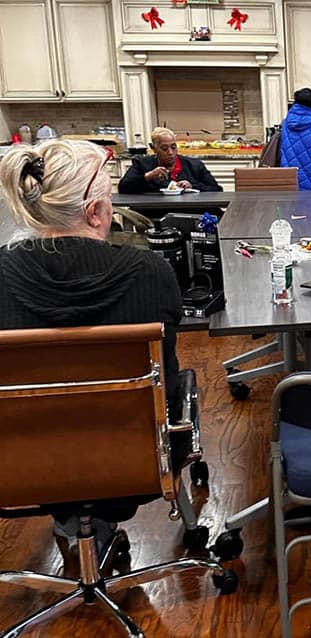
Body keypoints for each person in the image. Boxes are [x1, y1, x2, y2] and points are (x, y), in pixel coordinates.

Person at [0, 139, 184, 564]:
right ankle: (90, 528)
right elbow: (168, 382)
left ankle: (72, 529)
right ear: (97, 212)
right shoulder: (150, 273)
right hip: (134, 462)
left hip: (19, 462)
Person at [118, 126, 222, 193]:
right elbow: (123, 188)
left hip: (191, 211)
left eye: (173, 147)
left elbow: (216, 190)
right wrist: (148, 176)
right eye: (164, 148)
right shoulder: (142, 164)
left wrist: (192, 186)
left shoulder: (194, 165)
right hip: (155, 213)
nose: (170, 152)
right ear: (153, 149)